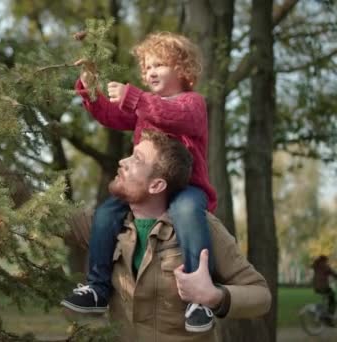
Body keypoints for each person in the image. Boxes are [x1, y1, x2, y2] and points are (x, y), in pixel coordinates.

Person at [61, 32, 218, 332]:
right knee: (107, 212)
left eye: (159, 64)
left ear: (183, 69)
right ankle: (97, 288)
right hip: (144, 190)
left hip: (187, 188)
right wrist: (89, 85)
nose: (150, 72)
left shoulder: (192, 103)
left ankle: (200, 296)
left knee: (186, 213)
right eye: (146, 68)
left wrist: (134, 97)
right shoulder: (145, 106)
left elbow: (176, 117)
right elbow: (109, 114)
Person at [65, 130, 271, 341]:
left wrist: (214, 296)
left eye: (137, 159)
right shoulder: (105, 226)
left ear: (156, 185)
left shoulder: (202, 228)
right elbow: (43, 214)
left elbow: (261, 295)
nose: (122, 161)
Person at [312, 255, 337, 325]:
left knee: (327, 298)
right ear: (324, 260)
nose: (327, 262)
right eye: (326, 261)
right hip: (323, 287)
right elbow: (334, 274)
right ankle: (329, 319)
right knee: (332, 300)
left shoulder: (316, 266)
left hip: (316, 287)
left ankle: (322, 313)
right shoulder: (325, 266)